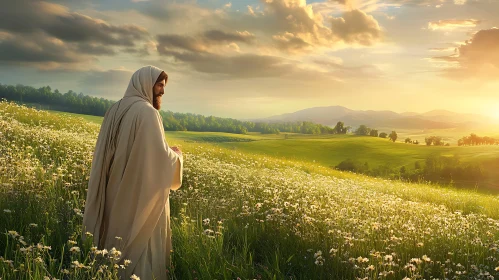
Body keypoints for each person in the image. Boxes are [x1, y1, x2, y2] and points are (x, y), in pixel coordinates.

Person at [82, 65, 183, 280]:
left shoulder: (114, 109)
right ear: (144, 83)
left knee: (114, 233)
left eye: (164, 86)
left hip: (111, 187)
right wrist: (176, 156)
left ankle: (107, 272)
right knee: (140, 238)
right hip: (136, 192)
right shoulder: (148, 112)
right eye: (159, 85)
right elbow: (158, 159)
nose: (163, 91)